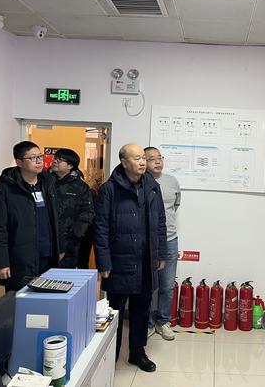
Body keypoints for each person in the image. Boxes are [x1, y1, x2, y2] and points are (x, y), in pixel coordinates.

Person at [94, 143, 166, 373]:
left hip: (146, 261)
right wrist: (104, 261)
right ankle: (110, 355)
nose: (143, 162)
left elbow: (161, 223)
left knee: (141, 310)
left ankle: (137, 353)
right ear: (124, 163)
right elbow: (101, 227)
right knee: (115, 312)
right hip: (119, 261)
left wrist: (160, 253)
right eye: (137, 158)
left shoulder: (152, 187)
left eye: (143, 157)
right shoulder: (109, 189)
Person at [0, 141, 62, 292]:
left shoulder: (48, 185)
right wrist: (1, 263)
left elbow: (56, 219)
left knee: (46, 302)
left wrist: (60, 247)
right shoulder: (3, 191)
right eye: (33, 158)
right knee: (20, 302)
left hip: (47, 257)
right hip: (20, 259)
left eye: (40, 156)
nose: (39, 161)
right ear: (19, 162)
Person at [145, 146, 180, 341]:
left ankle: (163, 321)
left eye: (160, 157)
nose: (158, 161)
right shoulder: (141, 181)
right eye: (152, 159)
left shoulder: (172, 181)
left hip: (169, 240)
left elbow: (175, 205)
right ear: (143, 161)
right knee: (148, 286)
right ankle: (147, 322)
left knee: (167, 285)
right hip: (147, 242)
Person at [50, 148, 94, 269]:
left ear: (70, 166)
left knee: (67, 273)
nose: (55, 161)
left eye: (60, 160)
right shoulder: (46, 182)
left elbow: (87, 212)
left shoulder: (81, 187)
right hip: (49, 239)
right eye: (55, 158)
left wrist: (75, 233)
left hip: (71, 241)